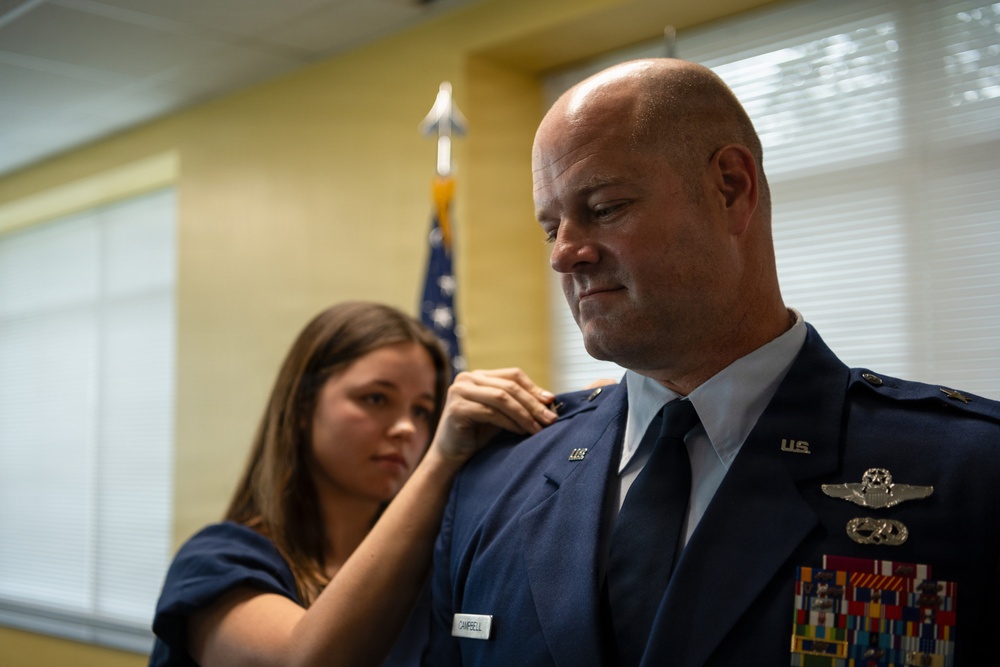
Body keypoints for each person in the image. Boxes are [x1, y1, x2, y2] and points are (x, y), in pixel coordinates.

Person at [426, 59, 1000, 666]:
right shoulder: (498, 478)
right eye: (551, 228)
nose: (564, 254)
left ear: (731, 188)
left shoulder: (971, 472)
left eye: (606, 207)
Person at [149, 301, 558, 667]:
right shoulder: (214, 561)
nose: (407, 428)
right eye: (375, 398)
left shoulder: (431, 567)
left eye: (422, 411)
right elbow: (302, 659)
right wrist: (441, 460)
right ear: (303, 407)